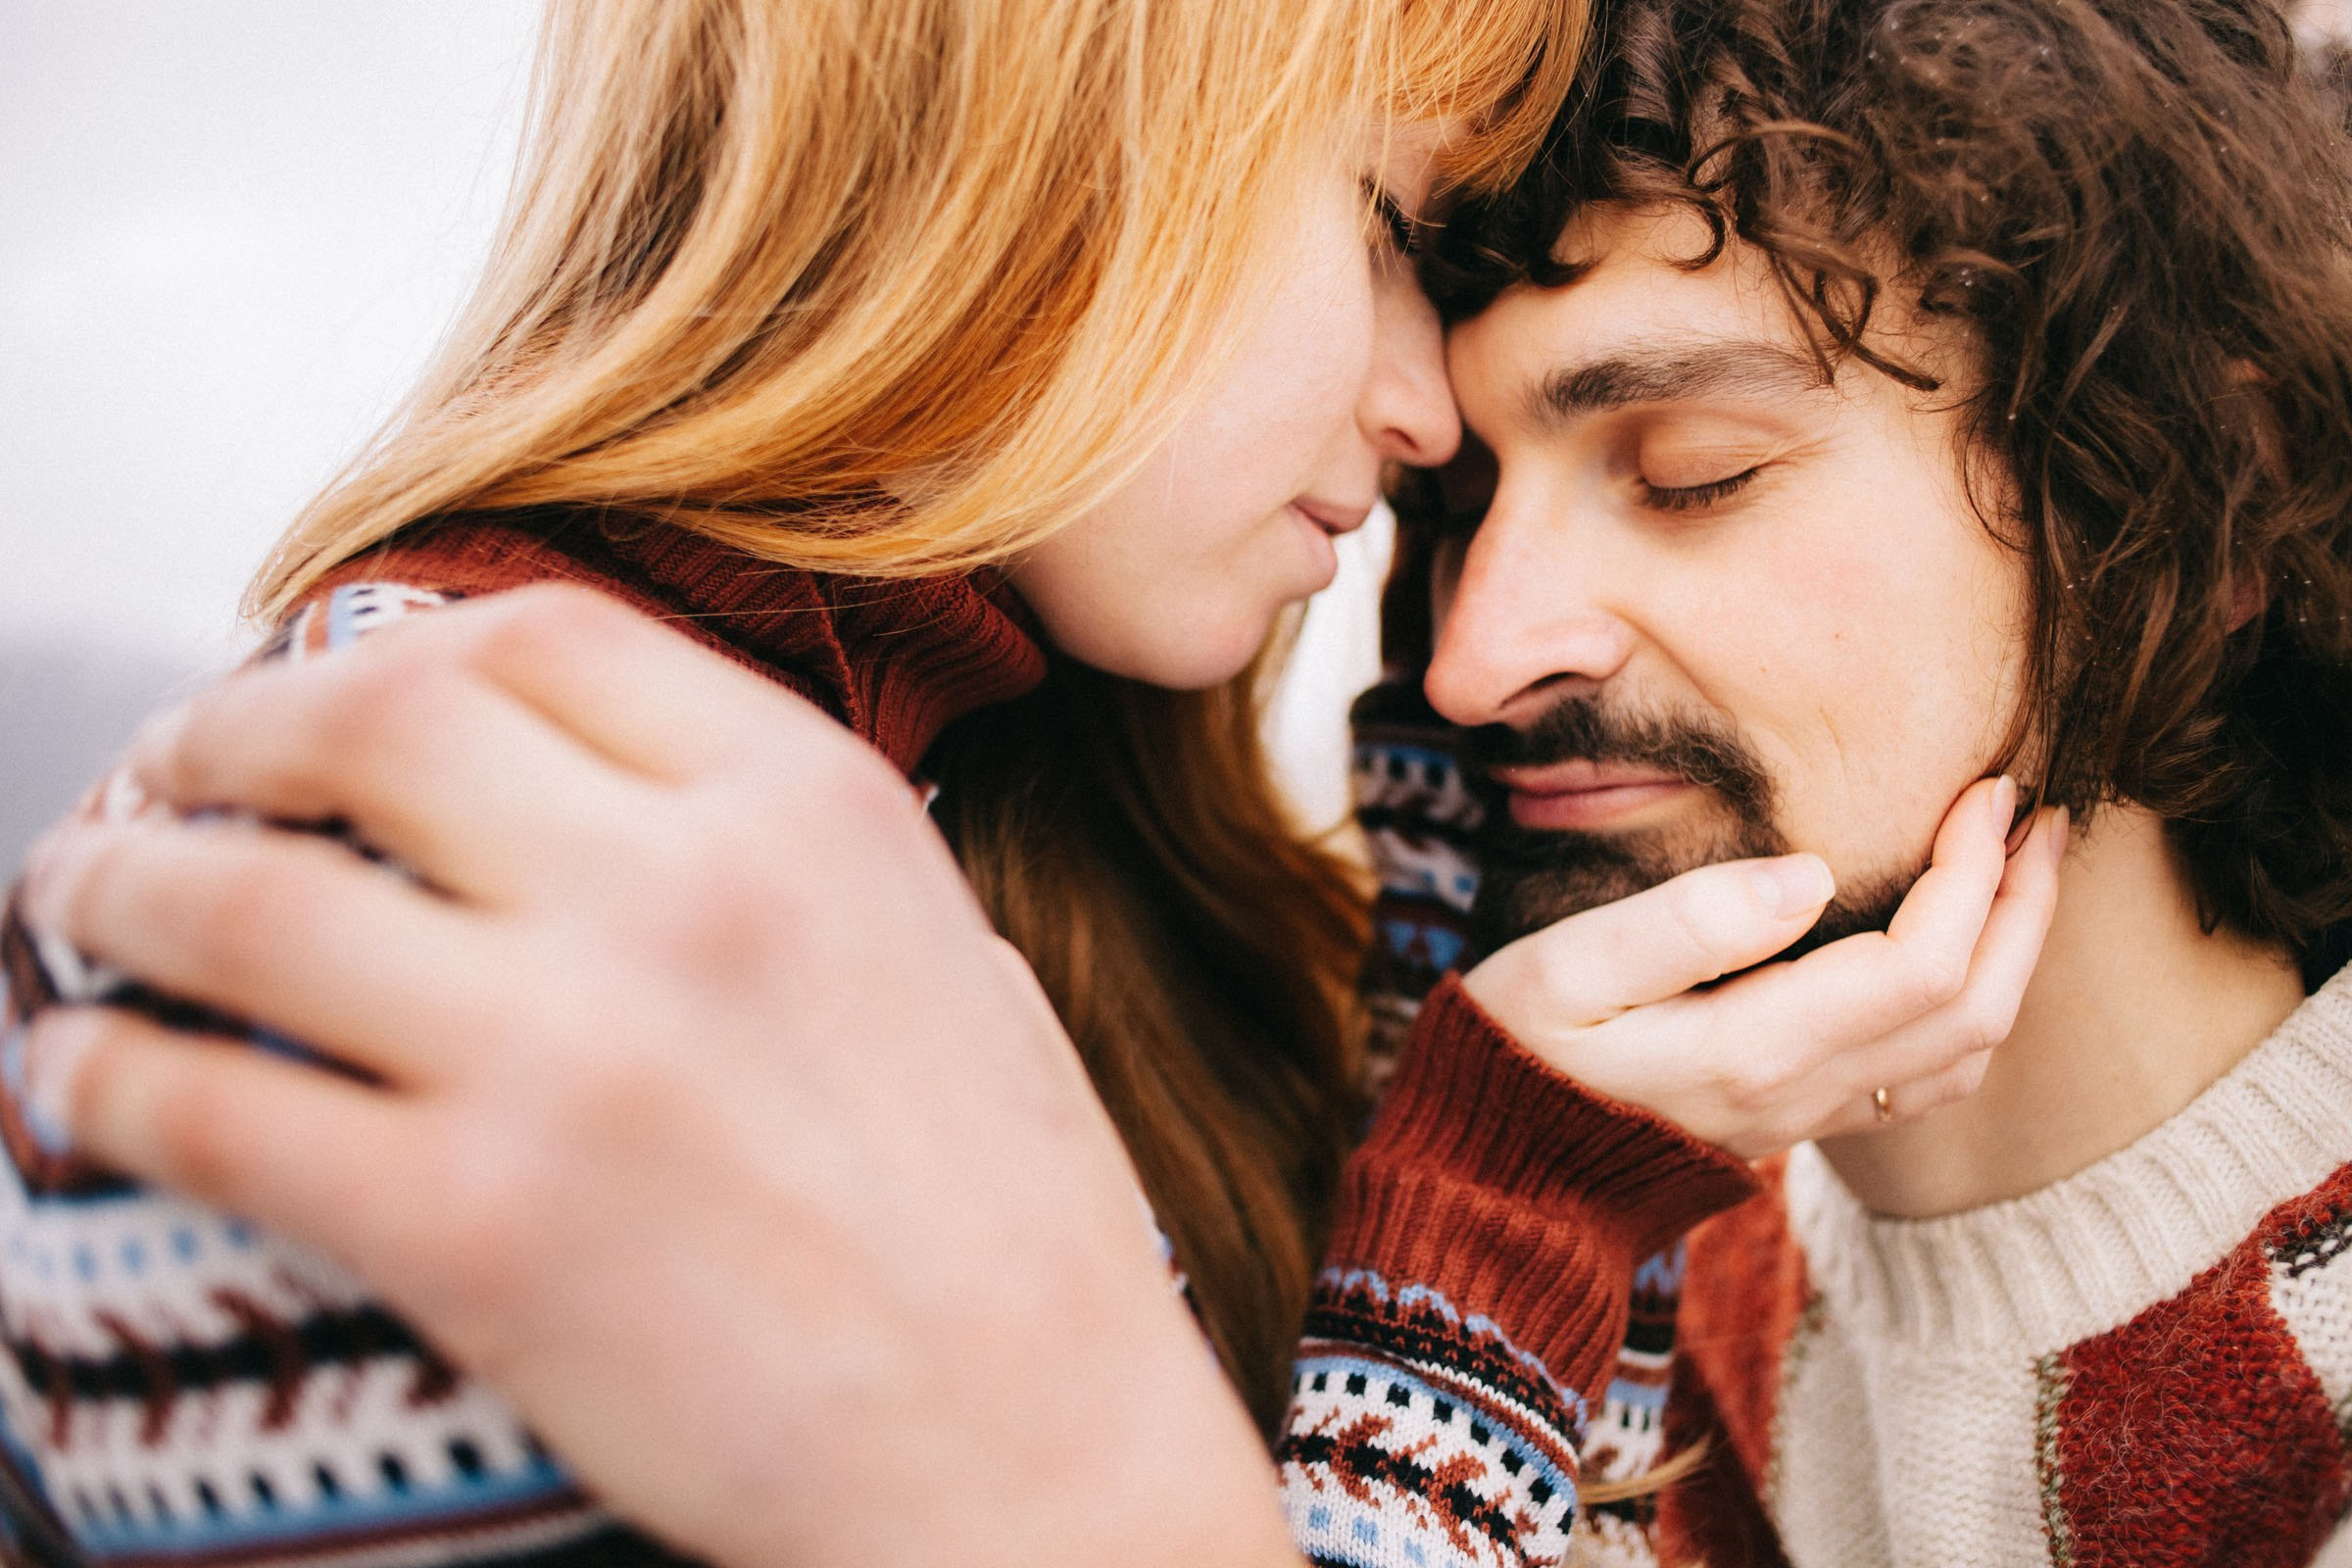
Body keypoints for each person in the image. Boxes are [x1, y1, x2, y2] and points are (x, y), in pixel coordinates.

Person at [0, 2, 2063, 1567]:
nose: (1422, 401)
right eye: (1386, 224)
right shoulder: (464, 870)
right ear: (1040, 131)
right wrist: (1485, 1253)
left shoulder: (900, 803)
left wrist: (1492, 855)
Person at [1304, 0, 2352, 1561]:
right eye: (1453, 506)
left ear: (2209, 489)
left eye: (1692, 474)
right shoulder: (1571, 1313)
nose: (1471, 660)